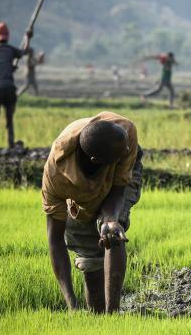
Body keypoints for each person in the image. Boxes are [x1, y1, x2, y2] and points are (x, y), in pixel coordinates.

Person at [42, 112, 142, 313]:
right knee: (89, 257)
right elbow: (55, 240)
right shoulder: (57, 177)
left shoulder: (124, 134)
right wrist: (71, 304)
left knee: (113, 232)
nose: (129, 150)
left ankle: (113, 313)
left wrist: (111, 219)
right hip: (81, 189)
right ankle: (96, 316)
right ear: (98, 160)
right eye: (123, 152)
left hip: (113, 173)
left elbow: (118, 188)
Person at [0, 22, 31, 148]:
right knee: (9, 120)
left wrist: (10, 68)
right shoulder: (10, 49)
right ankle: (11, 146)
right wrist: (28, 37)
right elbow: (24, 51)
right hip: (9, 89)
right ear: (8, 37)